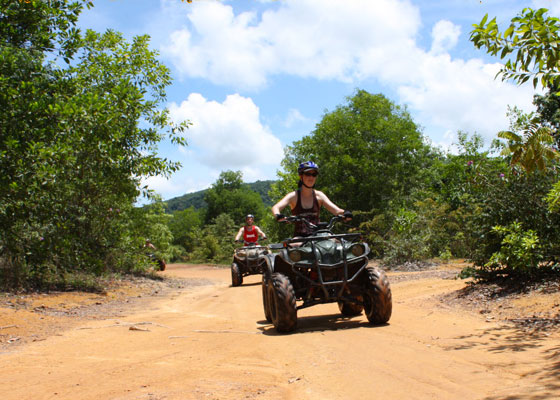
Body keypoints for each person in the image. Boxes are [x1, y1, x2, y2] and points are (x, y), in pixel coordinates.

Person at [271, 161, 352, 237]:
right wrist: (278, 215)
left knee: (338, 246)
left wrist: (346, 213)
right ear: (300, 176)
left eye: (314, 174)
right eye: (308, 174)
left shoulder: (319, 195)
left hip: (318, 235)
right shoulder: (293, 196)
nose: (311, 177)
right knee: (293, 247)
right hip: (300, 237)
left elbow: (336, 211)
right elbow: (276, 207)